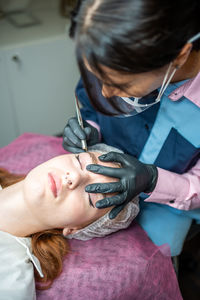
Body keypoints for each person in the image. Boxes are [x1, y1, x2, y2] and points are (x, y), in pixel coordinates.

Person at [63, 0, 200, 257]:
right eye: (97, 76)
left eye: (121, 85)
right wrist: (90, 127)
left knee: (148, 262)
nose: (105, 93)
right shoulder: (109, 55)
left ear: (179, 56)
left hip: (173, 201)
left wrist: (153, 180)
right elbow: (90, 105)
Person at [0, 149, 138, 299]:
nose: (75, 176)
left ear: (74, 229)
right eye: (81, 161)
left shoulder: (11, 283)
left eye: (91, 195)